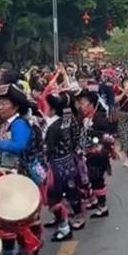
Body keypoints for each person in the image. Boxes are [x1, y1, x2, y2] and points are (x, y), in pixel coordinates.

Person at [0, 83, 37, 255]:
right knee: (12, 218)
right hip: (7, 175)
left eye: (4, 103)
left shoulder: (19, 124)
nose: (0, 107)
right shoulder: (7, 124)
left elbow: (20, 146)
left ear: (15, 105)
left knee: (9, 219)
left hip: (17, 176)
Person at [44, 92, 82, 242]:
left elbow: (48, 148)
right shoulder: (65, 122)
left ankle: (64, 228)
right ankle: (77, 217)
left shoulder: (53, 127)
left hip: (56, 166)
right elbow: (73, 140)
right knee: (72, 191)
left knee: (54, 198)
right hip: (68, 161)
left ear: (53, 110)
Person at [77, 89, 115, 218]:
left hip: (98, 156)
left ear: (91, 104)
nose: (81, 106)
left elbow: (108, 138)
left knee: (97, 179)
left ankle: (103, 207)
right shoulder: (83, 118)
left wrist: (97, 145)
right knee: (90, 180)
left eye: (83, 103)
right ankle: (97, 202)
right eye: (80, 103)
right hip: (87, 155)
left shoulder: (99, 118)